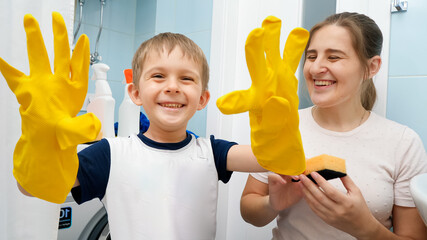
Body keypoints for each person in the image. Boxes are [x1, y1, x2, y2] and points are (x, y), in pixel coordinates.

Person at [9, 15, 267, 239]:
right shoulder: (111, 153)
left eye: (186, 78)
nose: (173, 86)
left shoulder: (211, 152)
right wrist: (40, 137)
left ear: (202, 99)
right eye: (158, 76)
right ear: (135, 93)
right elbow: (30, 188)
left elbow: (270, 160)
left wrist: (277, 122)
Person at [240, 12, 427, 240]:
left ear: (372, 66)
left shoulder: (403, 143)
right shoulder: (281, 125)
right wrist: (272, 203)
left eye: (333, 57)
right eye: (311, 56)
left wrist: (364, 227)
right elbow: (249, 208)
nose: (315, 68)